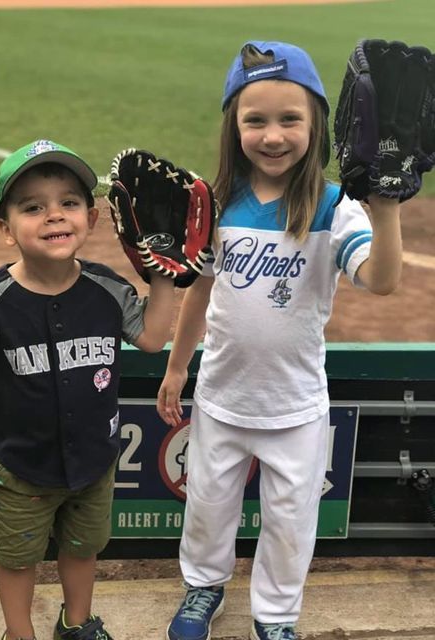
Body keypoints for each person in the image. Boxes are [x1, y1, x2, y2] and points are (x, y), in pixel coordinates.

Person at [156, 41, 403, 640]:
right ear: (232, 126)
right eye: (255, 120)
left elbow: (383, 281)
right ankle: (204, 586)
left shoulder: (334, 206)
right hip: (221, 396)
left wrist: (388, 205)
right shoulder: (213, 205)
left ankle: (275, 614)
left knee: (291, 521)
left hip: (294, 405)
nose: (273, 135)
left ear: (316, 124)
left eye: (290, 119)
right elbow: (197, 292)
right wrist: (176, 368)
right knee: (209, 506)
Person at [0, 139, 175, 640]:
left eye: (69, 203)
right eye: (33, 207)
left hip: (95, 461)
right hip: (22, 466)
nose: (54, 215)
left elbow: (150, 338)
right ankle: (20, 632)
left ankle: (76, 623)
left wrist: (162, 274)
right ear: (5, 229)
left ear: (93, 219)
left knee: (82, 548)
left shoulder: (108, 288)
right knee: (16, 558)